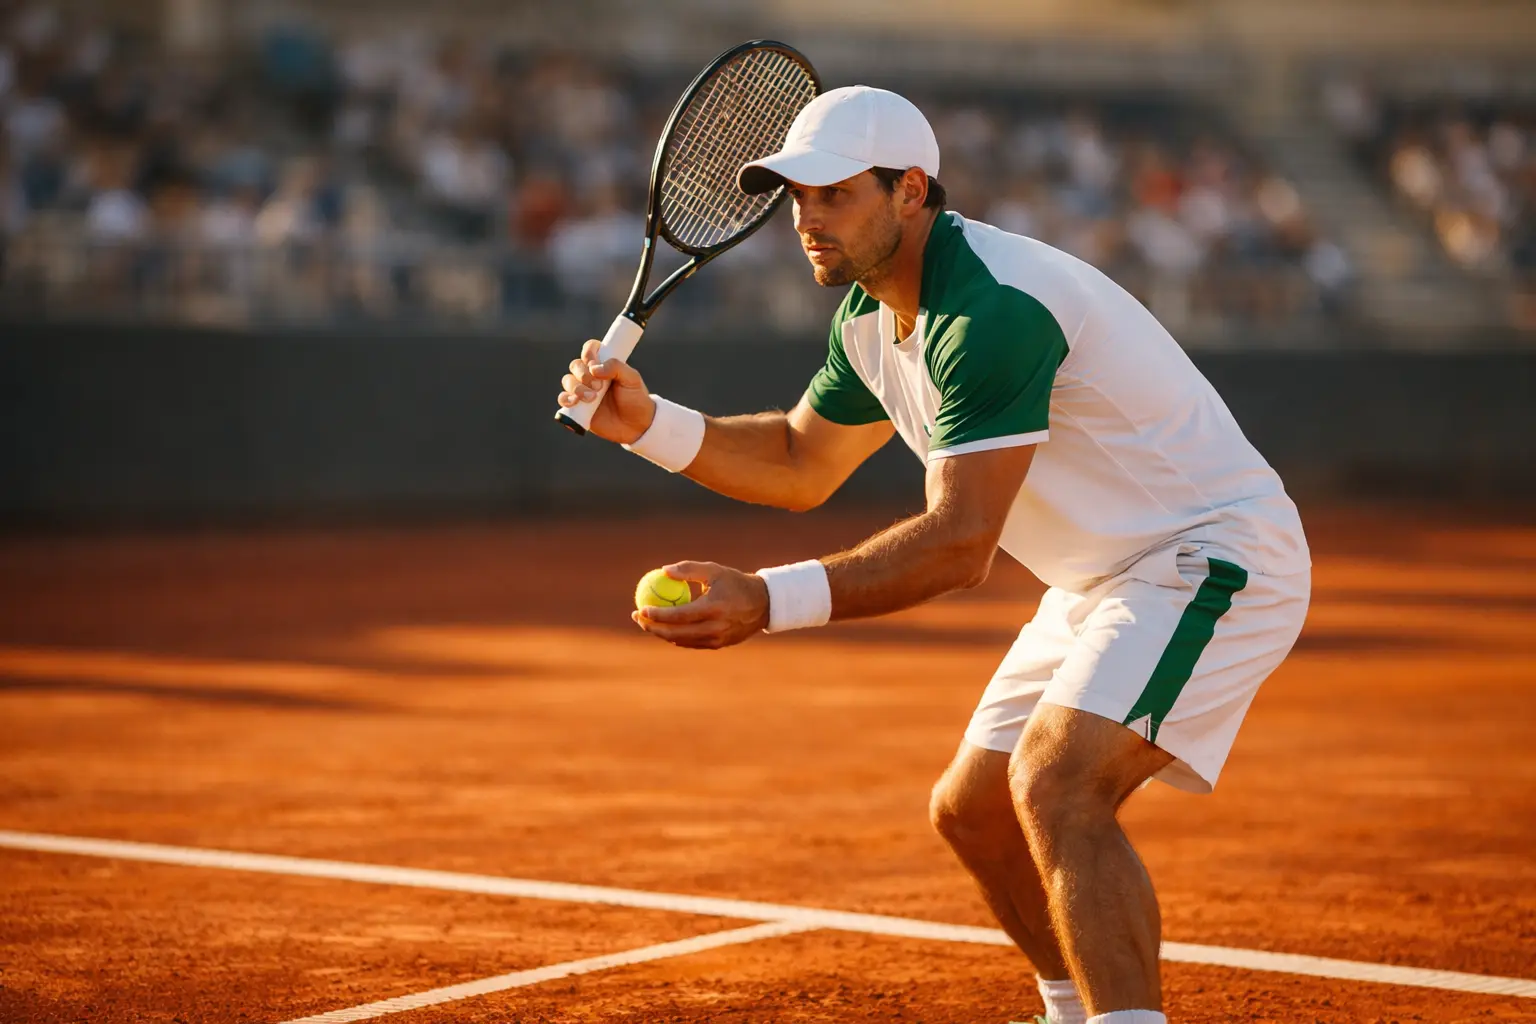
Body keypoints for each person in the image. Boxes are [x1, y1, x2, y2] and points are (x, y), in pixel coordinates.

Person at [555, 86, 1311, 1024]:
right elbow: (800, 460)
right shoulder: (872, 320)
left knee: (1058, 784)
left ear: (911, 191)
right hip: (1102, 579)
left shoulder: (990, 305)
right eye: (796, 197)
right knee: (974, 811)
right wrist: (646, 426)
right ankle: (1073, 1009)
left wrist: (766, 598)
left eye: (835, 194)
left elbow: (959, 545)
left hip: (1212, 557)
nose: (807, 219)